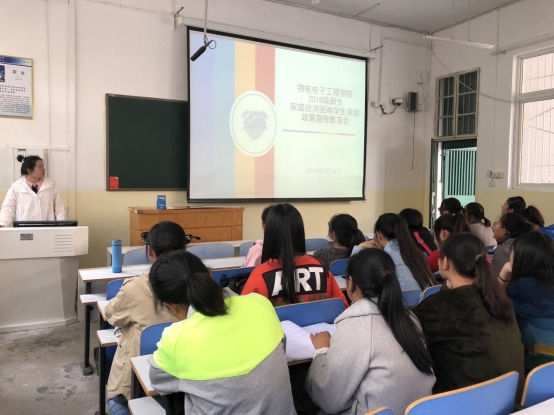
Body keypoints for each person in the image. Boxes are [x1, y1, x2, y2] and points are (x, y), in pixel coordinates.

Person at [147, 250, 295, 415]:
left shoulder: (176, 340)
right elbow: (283, 347)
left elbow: (158, 383)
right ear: (210, 275)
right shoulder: (260, 303)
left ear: (169, 305)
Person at [305, 249, 435, 415]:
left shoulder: (355, 325)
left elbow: (329, 399)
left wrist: (322, 351)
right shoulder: (410, 318)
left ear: (350, 283)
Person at [413, 233, 525, 399]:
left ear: (445, 262)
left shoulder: (438, 306)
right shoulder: (499, 300)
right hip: (510, 399)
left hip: (467, 402)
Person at [104, 221, 184, 415]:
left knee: (115, 399)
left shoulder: (134, 288)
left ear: (149, 251)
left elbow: (110, 315)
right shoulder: (202, 286)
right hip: (187, 384)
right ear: (185, 249)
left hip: (137, 388)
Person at [241, 203, 348, 308]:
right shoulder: (320, 267)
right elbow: (341, 307)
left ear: (269, 233)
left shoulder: (260, 274)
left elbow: (243, 314)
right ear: (300, 231)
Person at [499, 232, 554, 372]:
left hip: (537, 368)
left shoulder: (520, 288)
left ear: (520, 259)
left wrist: (505, 272)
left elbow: (491, 301)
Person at [353, 213, 436, 293]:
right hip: (425, 300)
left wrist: (360, 247)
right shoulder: (418, 254)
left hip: (398, 302)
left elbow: (354, 276)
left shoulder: (381, 260)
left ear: (378, 235)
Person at [0, 155, 66, 227]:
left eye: (43, 166)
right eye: (40, 167)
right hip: (24, 230)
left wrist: (61, 226)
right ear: (29, 170)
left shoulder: (51, 185)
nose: (44, 169)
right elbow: (8, 208)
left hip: (47, 229)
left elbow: (60, 209)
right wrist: (2, 223)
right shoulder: (16, 187)